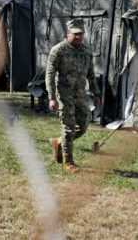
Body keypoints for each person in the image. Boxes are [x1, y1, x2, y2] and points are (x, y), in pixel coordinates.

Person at [45, 18, 101, 173]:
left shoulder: (87, 51)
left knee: (83, 126)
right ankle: (68, 161)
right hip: (64, 94)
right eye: (75, 34)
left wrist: (96, 93)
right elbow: (49, 75)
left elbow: (91, 74)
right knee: (68, 127)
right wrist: (52, 98)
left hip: (81, 94)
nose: (78, 37)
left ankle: (58, 142)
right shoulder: (58, 51)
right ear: (67, 33)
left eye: (81, 34)